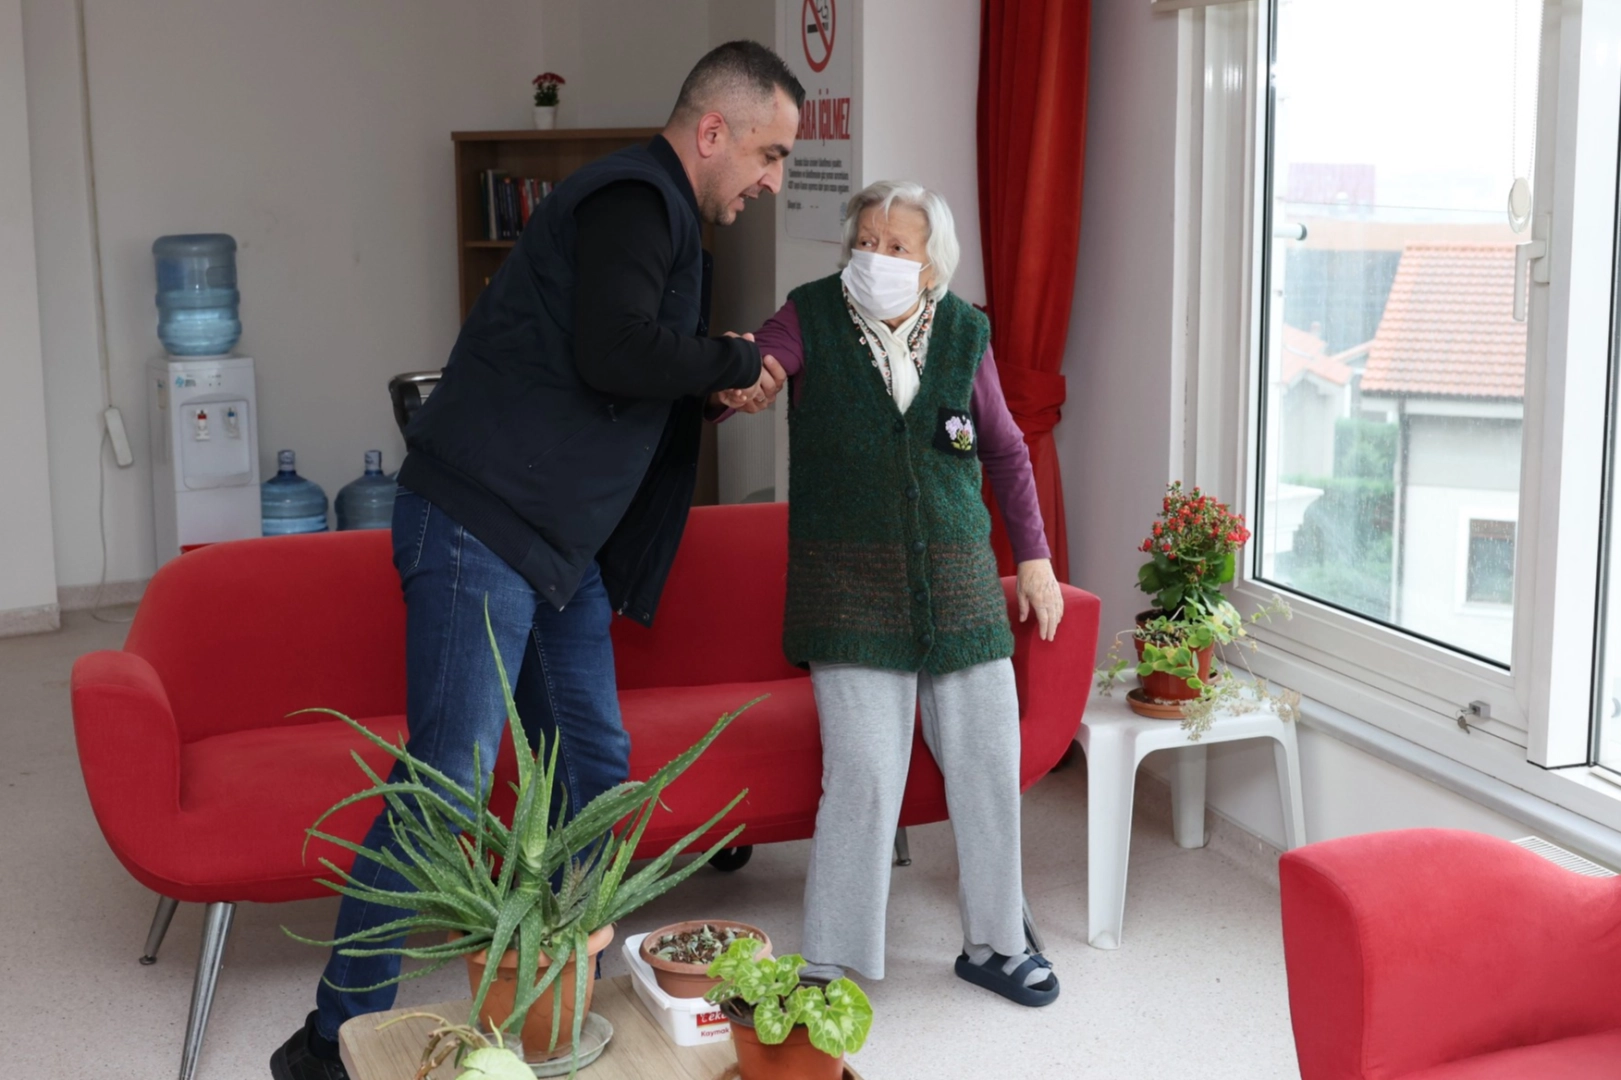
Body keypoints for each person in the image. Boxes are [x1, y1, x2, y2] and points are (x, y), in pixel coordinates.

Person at [270, 41, 801, 1080]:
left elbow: (610, 372)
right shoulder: (634, 199)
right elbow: (616, 349)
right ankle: (329, 1042)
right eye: (769, 154)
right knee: (448, 788)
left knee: (594, 769)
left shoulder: (656, 214)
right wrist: (733, 358)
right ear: (713, 132)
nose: (772, 181)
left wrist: (708, 383)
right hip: (479, 525)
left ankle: (552, 988)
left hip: (555, 545)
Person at [737, 179, 1065, 1006]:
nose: (875, 256)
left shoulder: (963, 331)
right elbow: (762, 360)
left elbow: (1004, 449)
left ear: (929, 266)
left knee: (988, 764)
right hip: (846, 588)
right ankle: (829, 963)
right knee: (864, 774)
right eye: (866, 240)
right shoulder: (810, 314)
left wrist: (1033, 557)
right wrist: (747, 377)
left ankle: (995, 944)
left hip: (958, 583)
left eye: (896, 246)